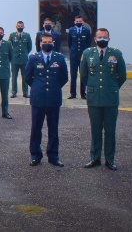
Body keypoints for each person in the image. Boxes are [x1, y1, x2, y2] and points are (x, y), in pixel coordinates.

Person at [81, 28, 126, 171]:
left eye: (105, 37)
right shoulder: (87, 53)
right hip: (94, 97)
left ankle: (109, 159)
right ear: (95, 39)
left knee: (110, 130)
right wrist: (93, 88)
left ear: (109, 39)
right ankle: (94, 158)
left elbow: (122, 75)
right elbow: (84, 75)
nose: (102, 39)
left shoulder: (116, 54)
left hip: (110, 98)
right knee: (95, 129)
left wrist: (112, 88)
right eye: (99, 37)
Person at [25, 33, 68, 167]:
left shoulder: (59, 58)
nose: (47, 44)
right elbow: (28, 77)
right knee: (36, 128)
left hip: (53, 98)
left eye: (49, 42)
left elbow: (64, 78)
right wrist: (38, 87)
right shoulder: (33, 58)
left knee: (53, 129)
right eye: (44, 42)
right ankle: (35, 155)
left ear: (53, 43)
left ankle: (53, 156)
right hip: (38, 98)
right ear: (40, 43)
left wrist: (54, 88)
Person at [67, 16, 91, 99]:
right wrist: (72, 52)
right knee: (73, 75)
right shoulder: (71, 30)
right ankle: (73, 93)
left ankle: (83, 93)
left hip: (83, 56)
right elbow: (69, 43)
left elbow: (88, 43)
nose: (78, 23)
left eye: (80, 21)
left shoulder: (87, 31)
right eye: (77, 21)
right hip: (73, 56)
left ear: (83, 22)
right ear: (74, 22)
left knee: (83, 75)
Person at [9, 20, 33, 98]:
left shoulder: (27, 35)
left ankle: (25, 92)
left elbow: (29, 47)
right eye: (18, 26)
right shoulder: (12, 35)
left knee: (25, 76)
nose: (20, 27)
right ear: (16, 27)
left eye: (21, 26)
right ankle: (14, 92)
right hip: (14, 59)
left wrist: (25, 53)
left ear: (24, 27)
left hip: (24, 59)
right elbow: (9, 46)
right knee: (14, 77)